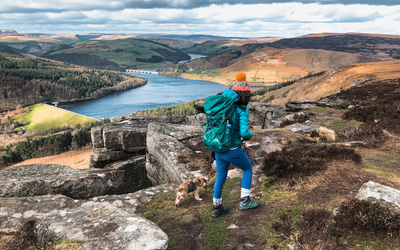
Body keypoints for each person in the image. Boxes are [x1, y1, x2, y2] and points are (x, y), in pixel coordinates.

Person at [212, 72, 260, 218]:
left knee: (220, 176)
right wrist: (250, 135)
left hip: (219, 148)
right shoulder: (242, 109)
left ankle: (217, 207)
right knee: (247, 168)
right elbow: (244, 132)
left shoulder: (222, 103)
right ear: (245, 94)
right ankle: (245, 200)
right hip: (233, 149)